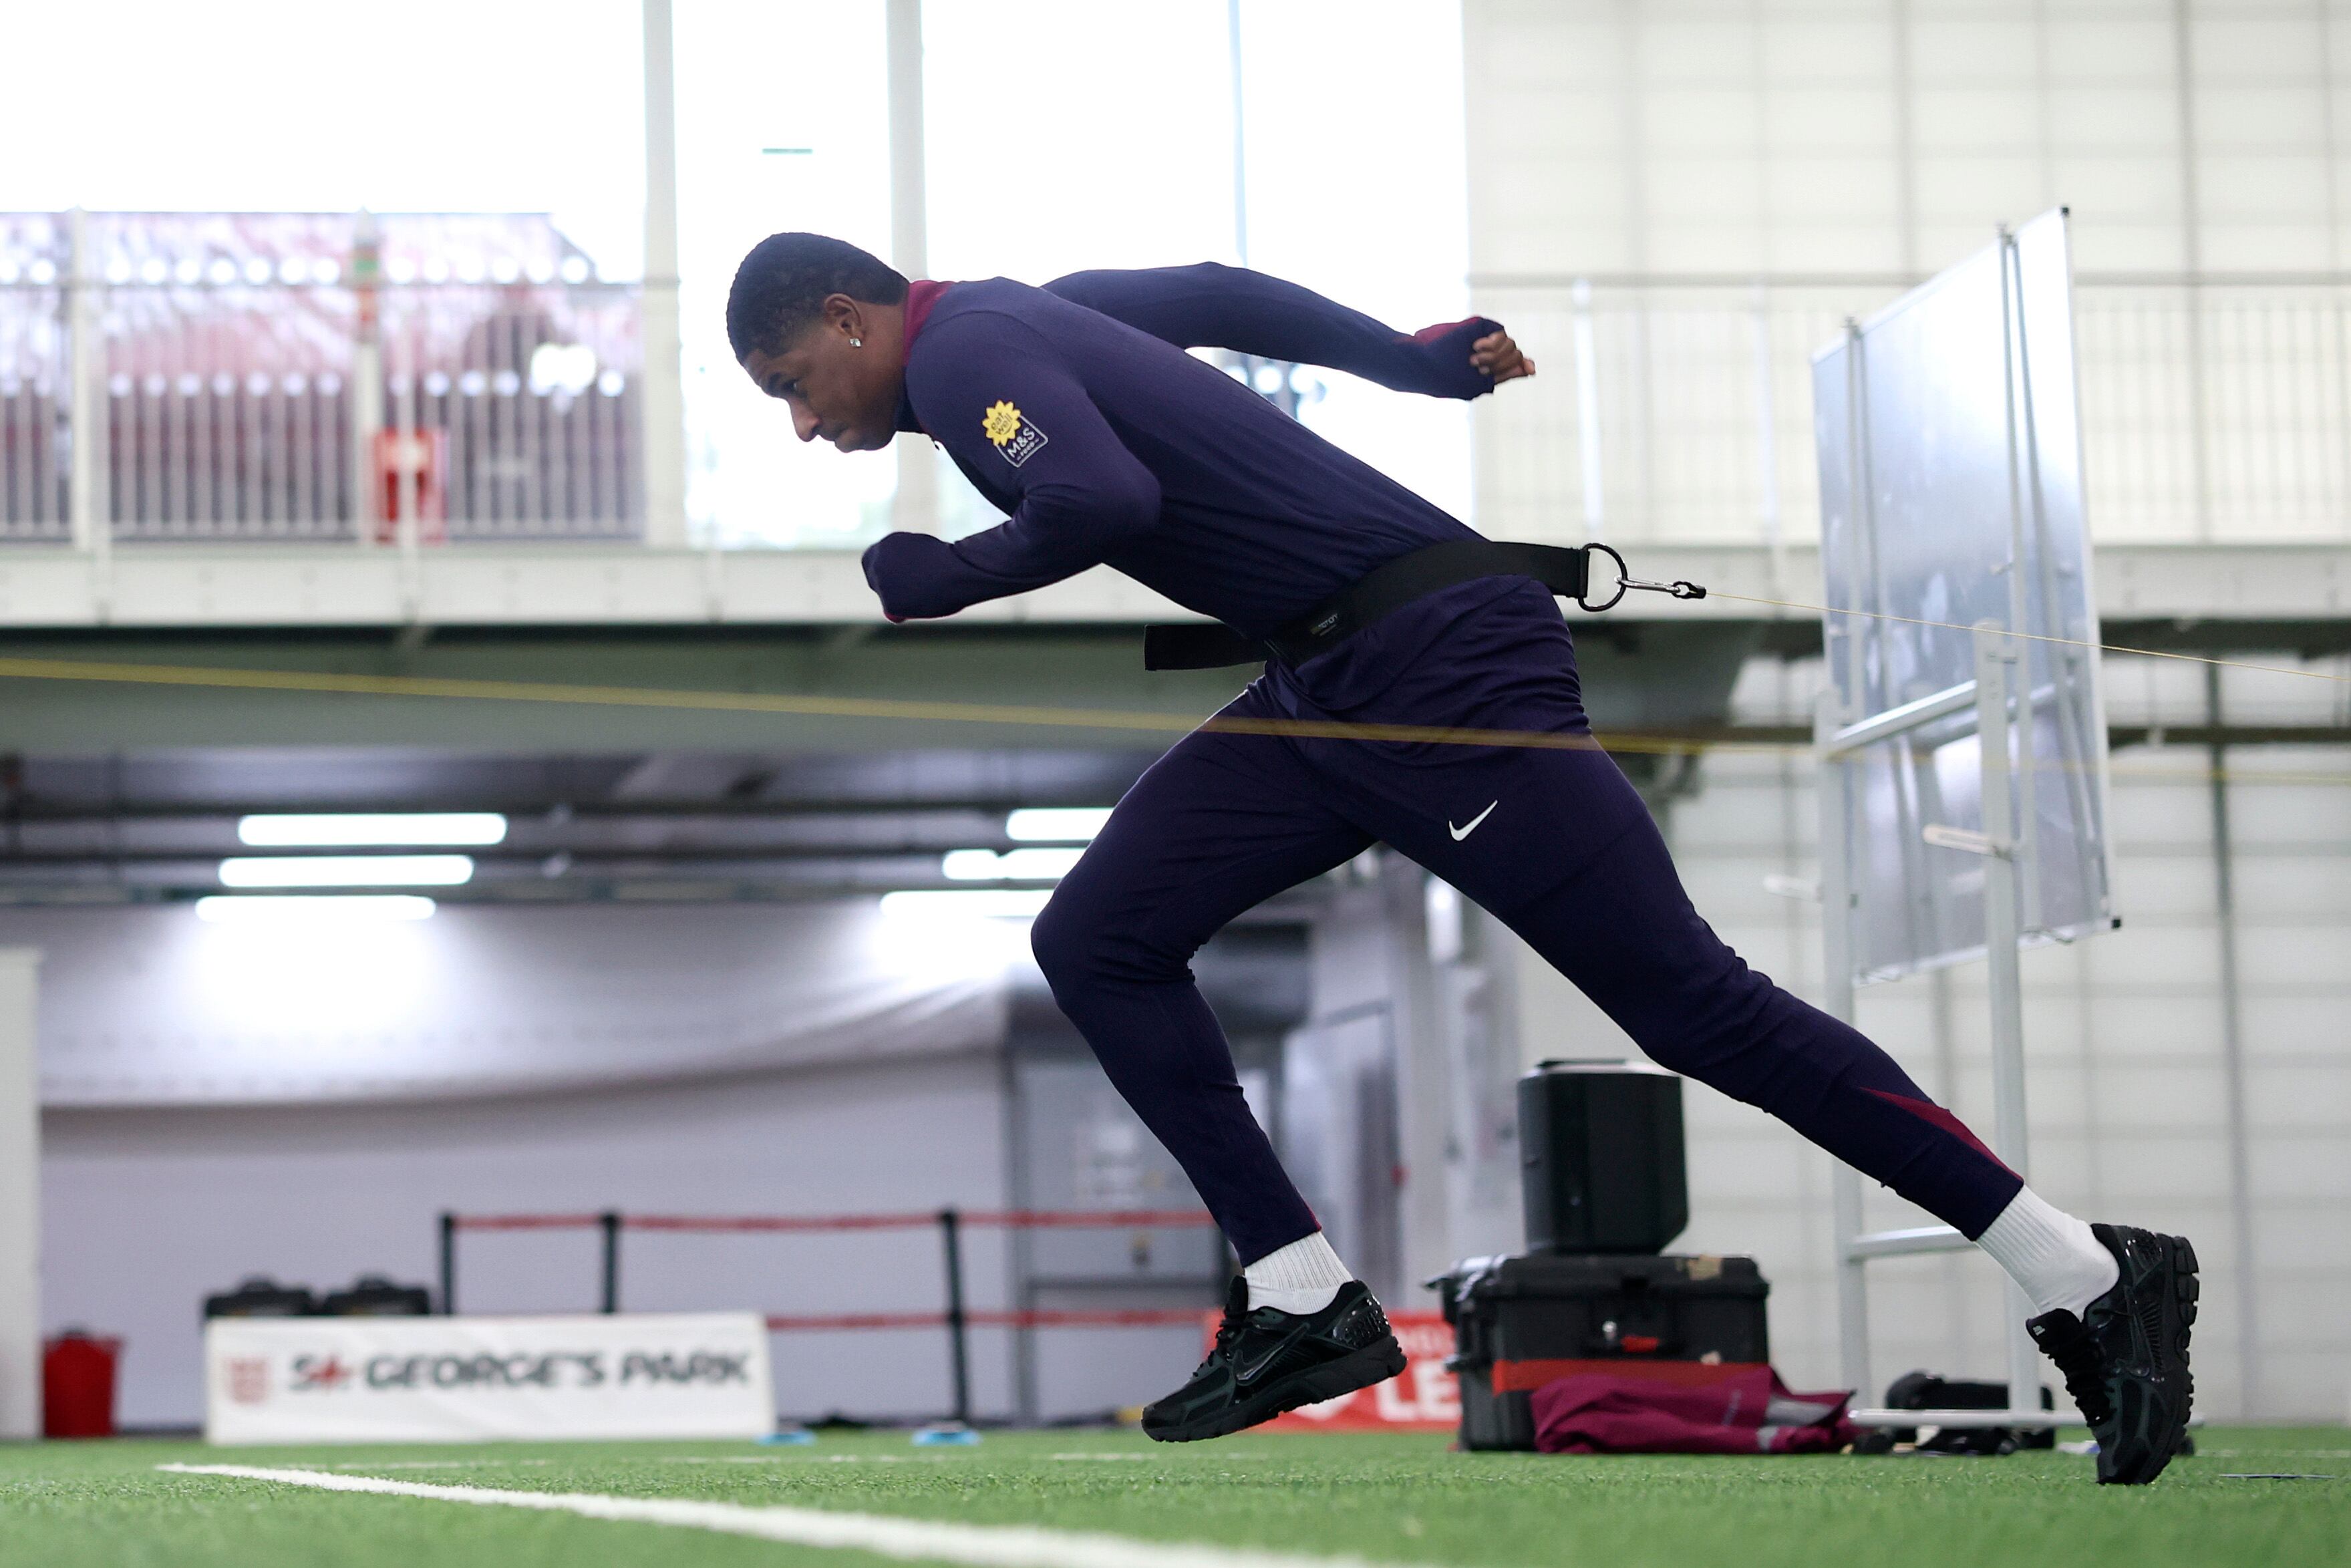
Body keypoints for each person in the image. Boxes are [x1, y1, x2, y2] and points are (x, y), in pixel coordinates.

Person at [724, 234, 2196, 1480]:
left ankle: (2085, 1270)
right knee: (1095, 940)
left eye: (793, 384)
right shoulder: (1021, 312)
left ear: (851, 322)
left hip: (1438, 676)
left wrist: (945, 577)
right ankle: (1298, 1296)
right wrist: (1414, 365)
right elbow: (1221, 292)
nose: (802, 423)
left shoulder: (964, 358)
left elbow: (1101, 499)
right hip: (1316, 687)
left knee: (1693, 1006)